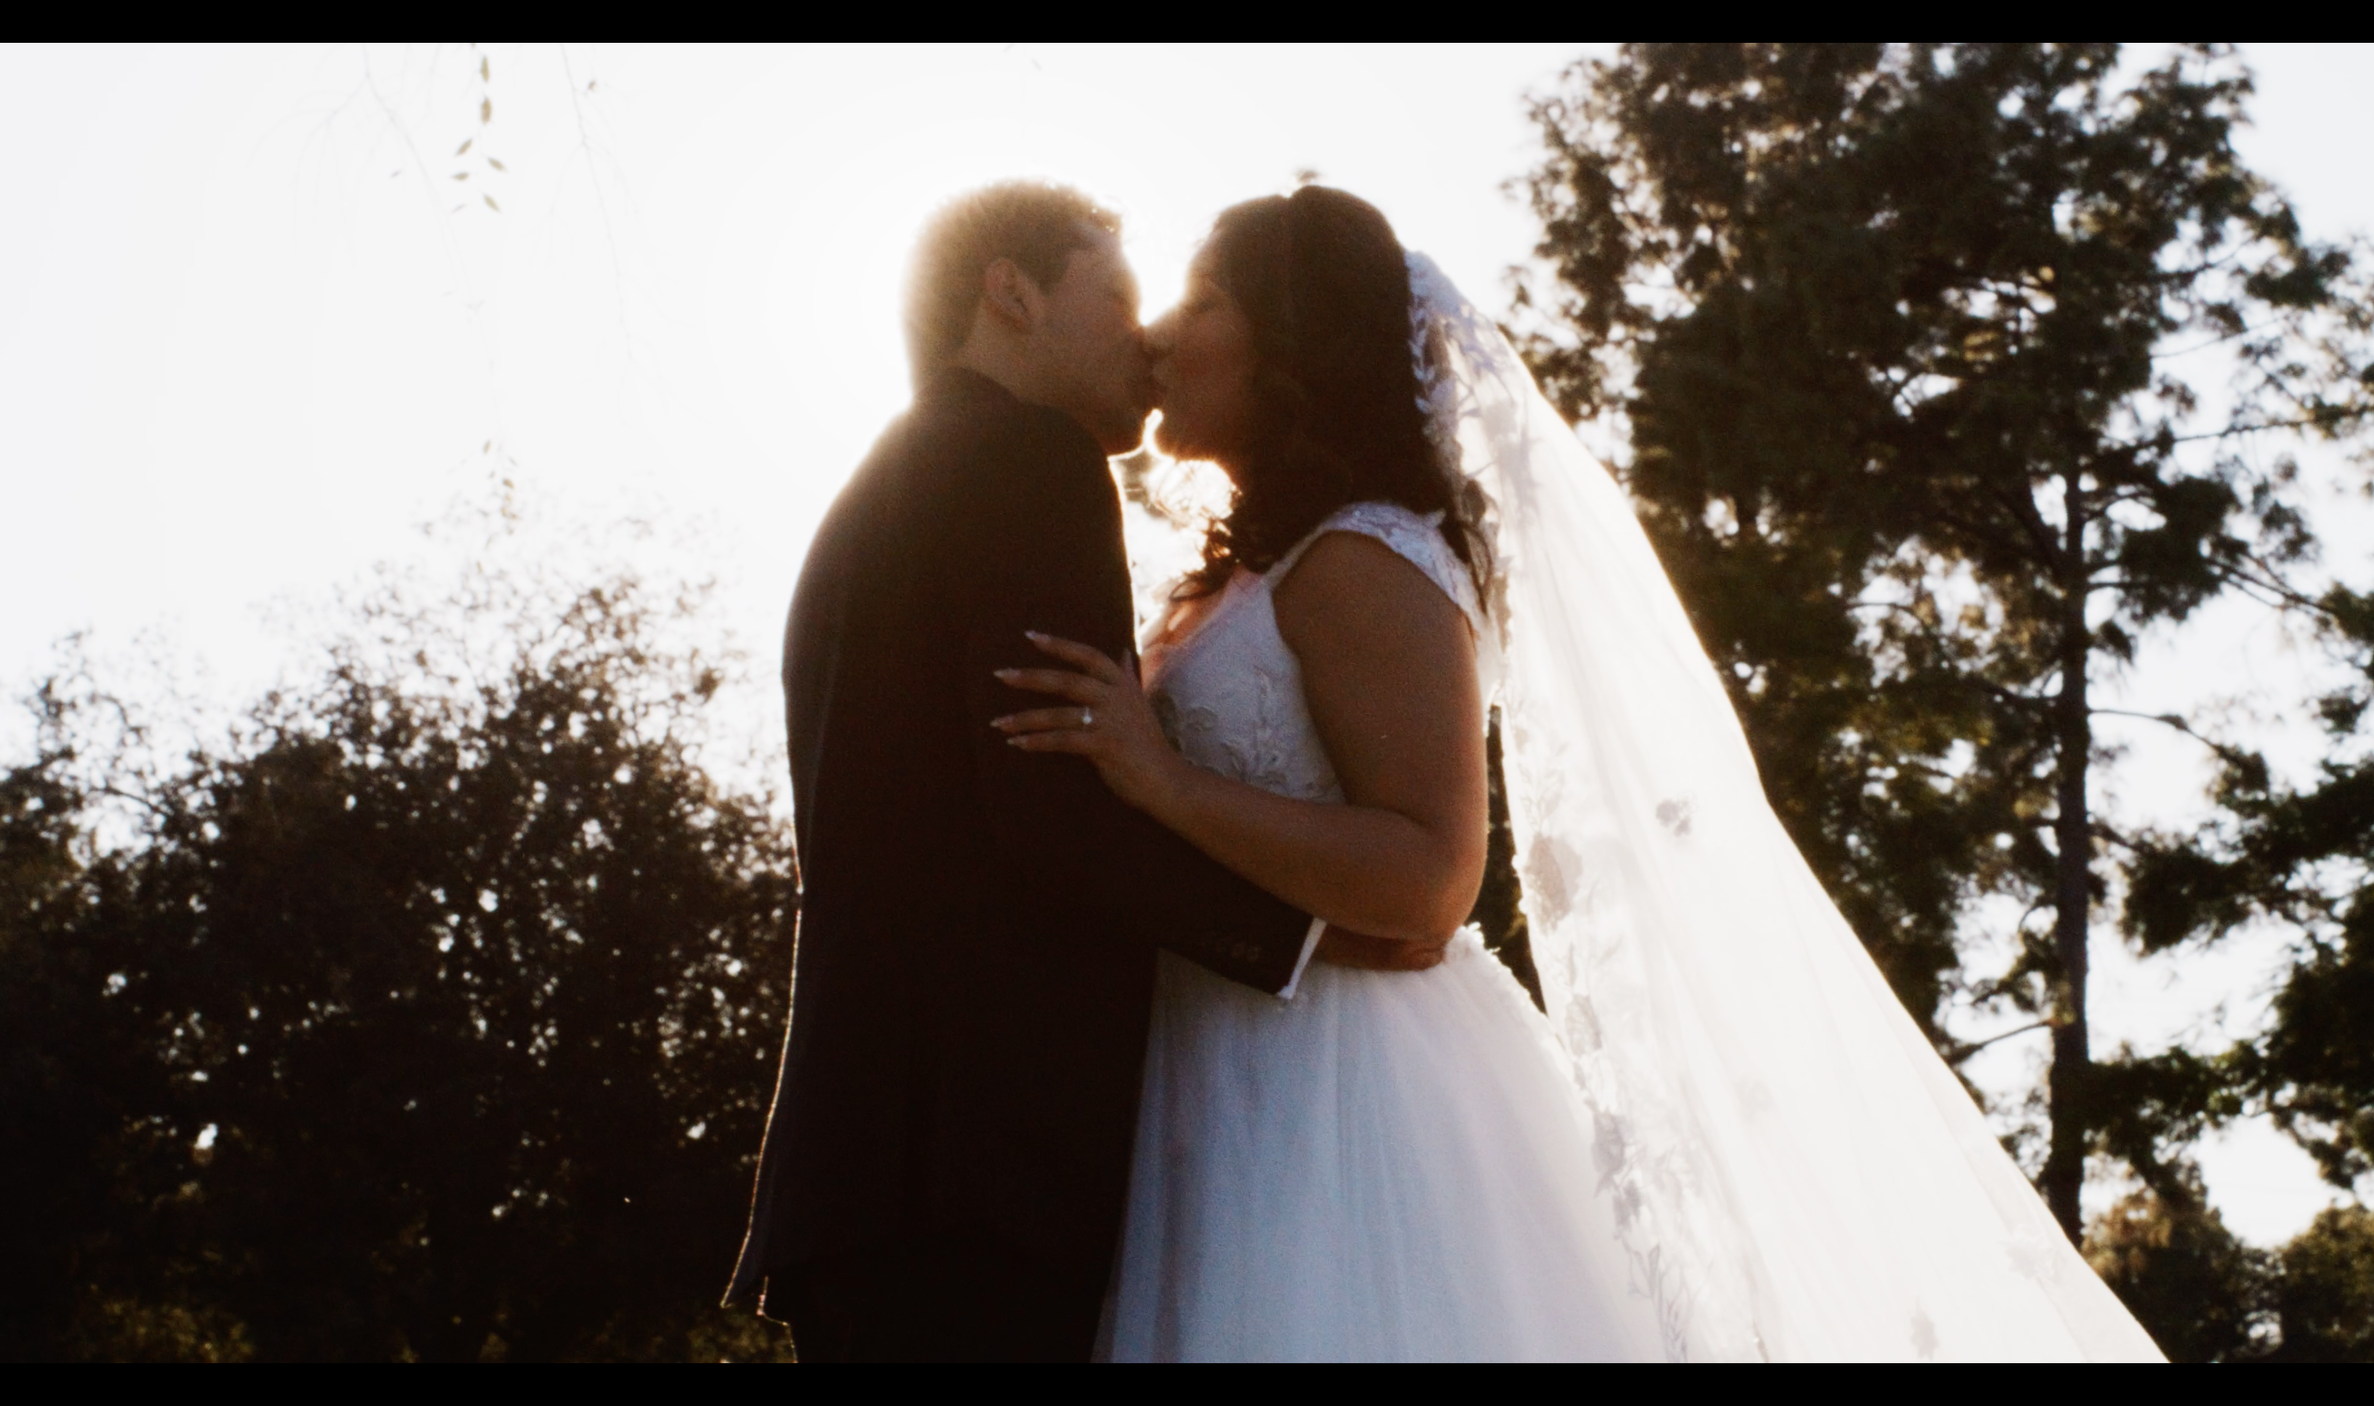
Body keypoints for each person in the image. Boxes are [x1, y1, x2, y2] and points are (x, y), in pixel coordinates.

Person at [998, 186, 2166, 1361]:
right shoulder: (1250, 570)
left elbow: (1433, 872)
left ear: (1291, 344)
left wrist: (1167, 783)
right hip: (1212, 1063)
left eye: (1200, 297)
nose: (1158, 332)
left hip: (1343, 1098)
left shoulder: (1360, 560)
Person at [724, 182, 1441, 1363]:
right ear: (1009, 292)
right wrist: (1304, 938)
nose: (1147, 335)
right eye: (1115, 293)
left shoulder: (880, 489)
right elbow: (1050, 805)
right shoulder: (1027, 459)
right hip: (975, 1170)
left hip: (873, 1163)